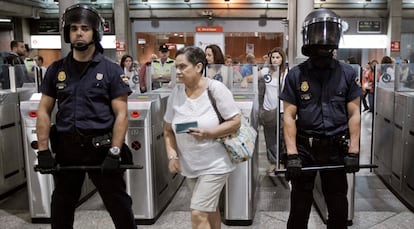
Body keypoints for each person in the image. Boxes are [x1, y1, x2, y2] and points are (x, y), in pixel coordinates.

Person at [35, 4, 136, 228]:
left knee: (119, 205)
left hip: (101, 148)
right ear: (67, 34)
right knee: (61, 206)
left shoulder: (111, 71)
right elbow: (44, 110)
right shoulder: (56, 70)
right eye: (73, 29)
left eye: (84, 28)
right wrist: (43, 151)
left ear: (95, 33)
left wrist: (115, 152)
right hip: (67, 148)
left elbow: (122, 114)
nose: (78, 33)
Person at [280, 8, 362, 228]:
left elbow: (354, 114)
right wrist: (292, 155)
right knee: (299, 208)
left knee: (338, 208)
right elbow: (288, 116)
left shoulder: (347, 74)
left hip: (336, 148)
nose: (324, 40)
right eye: (318, 34)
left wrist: (354, 151)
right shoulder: (296, 75)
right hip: (305, 149)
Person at [164, 46, 240, 229]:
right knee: (210, 209)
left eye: (183, 67)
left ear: (198, 67)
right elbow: (168, 130)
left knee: (198, 213)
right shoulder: (176, 93)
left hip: (216, 163)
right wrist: (172, 156)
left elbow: (236, 122)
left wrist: (209, 133)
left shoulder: (215, 89)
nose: (178, 71)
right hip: (190, 165)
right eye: (176, 67)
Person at [257, 47, 288, 173]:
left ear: (282, 59)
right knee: (269, 138)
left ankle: (282, 161)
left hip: (282, 110)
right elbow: (252, 77)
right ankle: (273, 162)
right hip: (268, 110)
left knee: (282, 138)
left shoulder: (286, 73)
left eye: (278, 57)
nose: (275, 60)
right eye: (273, 57)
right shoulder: (266, 71)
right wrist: (243, 80)